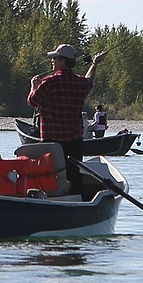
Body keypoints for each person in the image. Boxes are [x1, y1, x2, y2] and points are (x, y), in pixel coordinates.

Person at [27, 44, 107, 193]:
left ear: (63, 61)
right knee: (74, 175)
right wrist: (94, 64)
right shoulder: (80, 83)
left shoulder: (49, 82)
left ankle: (53, 199)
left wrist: (34, 86)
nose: (52, 61)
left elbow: (33, 101)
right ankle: (76, 200)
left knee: (51, 174)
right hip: (74, 140)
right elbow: (89, 81)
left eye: (55, 58)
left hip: (51, 141)